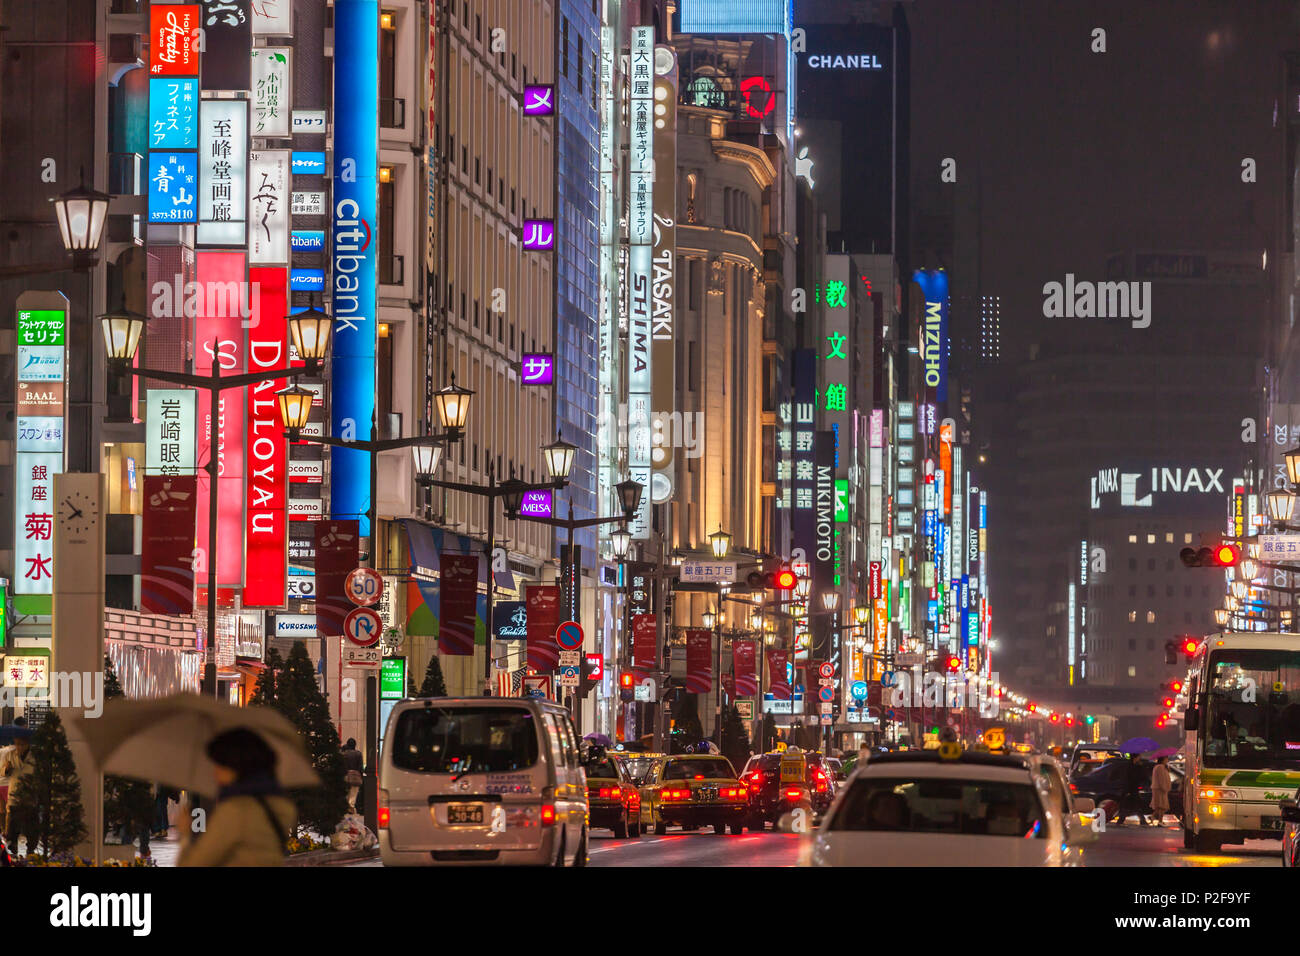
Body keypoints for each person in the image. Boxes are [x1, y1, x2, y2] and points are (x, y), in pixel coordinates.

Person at [178, 728, 296, 867]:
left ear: (236, 766)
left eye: (219, 765)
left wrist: (185, 835)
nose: (215, 772)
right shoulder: (282, 805)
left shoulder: (235, 810)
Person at [1, 731, 34, 855]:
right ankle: (12, 847)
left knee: (30, 825)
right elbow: (3, 772)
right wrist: (7, 768)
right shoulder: (10, 754)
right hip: (14, 793)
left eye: (21, 744)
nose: (19, 747)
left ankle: (31, 850)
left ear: (27, 744)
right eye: (17, 744)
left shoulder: (34, 756)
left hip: (29, 794)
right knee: (13, 824)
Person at [1113, 752, 1150, 827]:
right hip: (1130, 790)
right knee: (1131, 806)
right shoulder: (1130, 767)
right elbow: (1130, 779)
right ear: (1135, 757)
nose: (1140, 758)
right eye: (1139, 756)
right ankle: (1141, 821)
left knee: (1133, 806)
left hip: (1131, 790)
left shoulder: (1133, 766)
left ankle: (1141, 820)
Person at [341, 738, 365, 813]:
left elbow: (341, 766)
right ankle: (351, 806)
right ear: (355, 745)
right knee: (354, 792)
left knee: (346, 792)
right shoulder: (358, 754)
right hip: (355, 775)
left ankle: (345, 807)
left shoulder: (343, 754)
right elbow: (360, 767)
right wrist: (360, 775)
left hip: (345, 775)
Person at [1150, 755, 1173, 826]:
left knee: (1161, 805)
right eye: (1166, 758)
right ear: (1163, 759)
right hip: (1160, 789)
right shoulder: (1160, 767)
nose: (1167, 760)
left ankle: (1155, 818)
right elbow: (1161, 779)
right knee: (1161, 805)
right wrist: (1164, 788)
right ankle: (1158, 819)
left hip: (1160, 788)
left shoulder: (1162, 767)